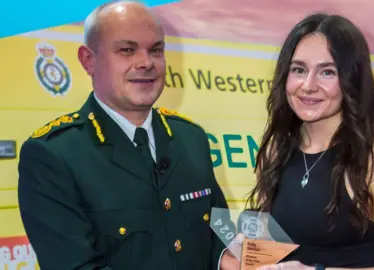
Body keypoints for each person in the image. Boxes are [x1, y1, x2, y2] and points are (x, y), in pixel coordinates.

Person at [17, 1, 235, 269]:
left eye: (156, 50)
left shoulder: (191, 138)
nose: (146, 63)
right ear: (89, 60)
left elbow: (220, 231)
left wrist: (229, 257)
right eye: (126, 50)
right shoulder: (53, 155)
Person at [242, 13, 374, 270]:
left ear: (351, 79)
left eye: (327, 72)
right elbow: (274, 252)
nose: (308, 85)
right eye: (299, 69)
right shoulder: (276, 150)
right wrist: (247, 255)